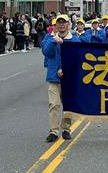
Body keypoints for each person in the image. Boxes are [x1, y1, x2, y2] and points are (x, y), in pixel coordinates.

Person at [42, 14, 80, 142]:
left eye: (64, 22)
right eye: (59, 22)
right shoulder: (49, 38)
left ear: (68, 24)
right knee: (54, 104)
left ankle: (66, 129)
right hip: (53, 78)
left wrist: (65, 69)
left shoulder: (74, 40)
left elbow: (77, 59)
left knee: (68, 105)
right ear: (56, 24)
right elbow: (46, 52)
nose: (61, 25)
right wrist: (54, 41)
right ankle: (53, 131)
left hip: (69, 79)